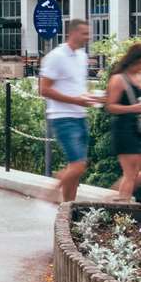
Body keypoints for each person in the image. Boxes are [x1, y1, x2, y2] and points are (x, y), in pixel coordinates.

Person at [39, 19, 102, 202]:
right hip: (62, 117)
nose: (88, 37)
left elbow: (76, 88)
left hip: (81, 116)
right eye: (84, 33)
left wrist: (91, 97)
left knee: (75, 169)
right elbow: (44, 89)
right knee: (78, 165)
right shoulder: (56, 56)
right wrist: (76, 100)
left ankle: (67, 208)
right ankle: (48, 193)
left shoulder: (82, 56)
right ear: (72, 33)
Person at [104, 42, 141, 202]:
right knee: (131, 174)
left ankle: (114, 197)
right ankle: (119, 203)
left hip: (140, 129)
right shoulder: (118, 79)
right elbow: (110, 106)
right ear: (133, 60)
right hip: (124, 129)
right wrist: (134, 108)